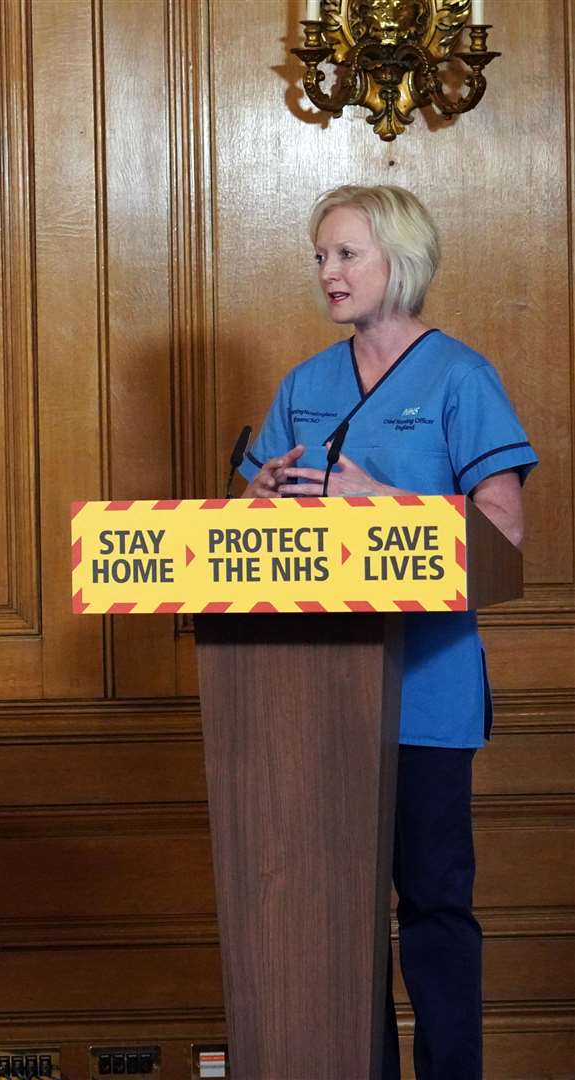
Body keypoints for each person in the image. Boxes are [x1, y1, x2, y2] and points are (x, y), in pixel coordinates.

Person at [238, 185, 535, 1079]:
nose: (326, 273)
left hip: (425, 695)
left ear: (397, 261)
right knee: (337, 915)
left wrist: (379, 501)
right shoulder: (305, 383)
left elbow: (504, 533)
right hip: (314, 695)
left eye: (345, 255)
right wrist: (253, 500)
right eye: (319, 256)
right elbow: (258, 518)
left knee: (434, 905)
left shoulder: (459, 377)